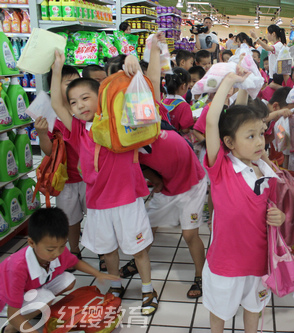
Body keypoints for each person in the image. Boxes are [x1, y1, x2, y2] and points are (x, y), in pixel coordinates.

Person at [49, 39, 160, 316]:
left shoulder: (122, 119)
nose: (79, 105)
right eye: (73, 102)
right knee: (108, 250)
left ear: (101, 96)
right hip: (97, 204)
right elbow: (55, 102)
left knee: (138, 250)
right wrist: (57, 70)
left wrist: (136, 67)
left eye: (85, 98)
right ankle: (116, 285)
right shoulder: (77, 130)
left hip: (127, 200)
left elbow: (152, 91)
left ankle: (148, 289)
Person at [203, 72, 286, 333]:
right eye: (250, 136)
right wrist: (228, 83)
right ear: (229, 143)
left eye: (261, 134)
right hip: (225, 264)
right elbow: (211, 123)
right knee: (220, 312)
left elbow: (274, 212)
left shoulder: (267, 171)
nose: (260, 141)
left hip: (260, 262)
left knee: (254, 309)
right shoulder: (222, 168)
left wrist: (280, 218)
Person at [119, 128, 208, 299]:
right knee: (148, 225)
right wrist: (156, 187)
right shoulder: (130, 151)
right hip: (168, 186)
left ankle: (201, 275)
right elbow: (153, 179)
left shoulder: (164, 135)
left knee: (190, 235)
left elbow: (188, 158)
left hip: (192, 186)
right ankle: (138, 262)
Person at [0, 208, 119, 333]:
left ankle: (34, 310)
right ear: (31, 242)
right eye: (50, 250)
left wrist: (97, 274)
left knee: (68, 280)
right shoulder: (16, 269)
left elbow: (75, 262)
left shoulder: (55, 251)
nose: (57, 253)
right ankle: (9, 329)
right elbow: (12, 314)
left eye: (62, 246)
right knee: (46, 297)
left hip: (30, 290)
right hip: (6, 301)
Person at [35, 65, 86, 272]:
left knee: (97, 218)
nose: (73, 86)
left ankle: (102, 252)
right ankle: (74, 251)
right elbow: (49, 152)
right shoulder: (50, 115)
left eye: (76, 81)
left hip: (89, 177)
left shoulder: (83, 109)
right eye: (67, 82)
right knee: (71, 220)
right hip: (64, 180)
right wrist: (41, 134)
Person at [162, 68, 193, 133]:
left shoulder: (163, 101)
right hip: (178, 138)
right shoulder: (184, 106)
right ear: (184, 86)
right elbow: (185, 130)